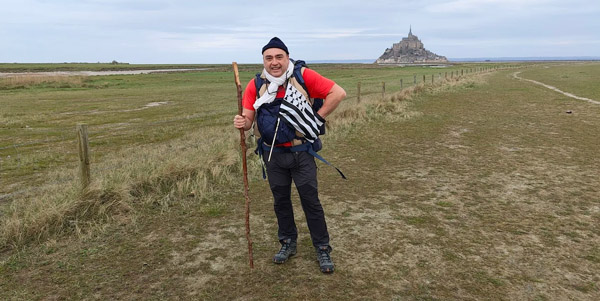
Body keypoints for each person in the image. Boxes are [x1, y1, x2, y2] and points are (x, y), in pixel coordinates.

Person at [233, 37, 346, 273]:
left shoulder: (302, 76)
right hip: (272, 155)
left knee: (310, 201)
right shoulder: (256, 84)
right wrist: (242, 122)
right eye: (269, 58)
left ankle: (322, 248)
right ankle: (287, 243)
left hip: (302, 152)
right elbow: (248, 120)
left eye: (279, 57)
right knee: (280, 201)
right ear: (263, 60)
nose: (274, 62)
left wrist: (317, 119)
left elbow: (338, 93)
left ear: (287, 57)